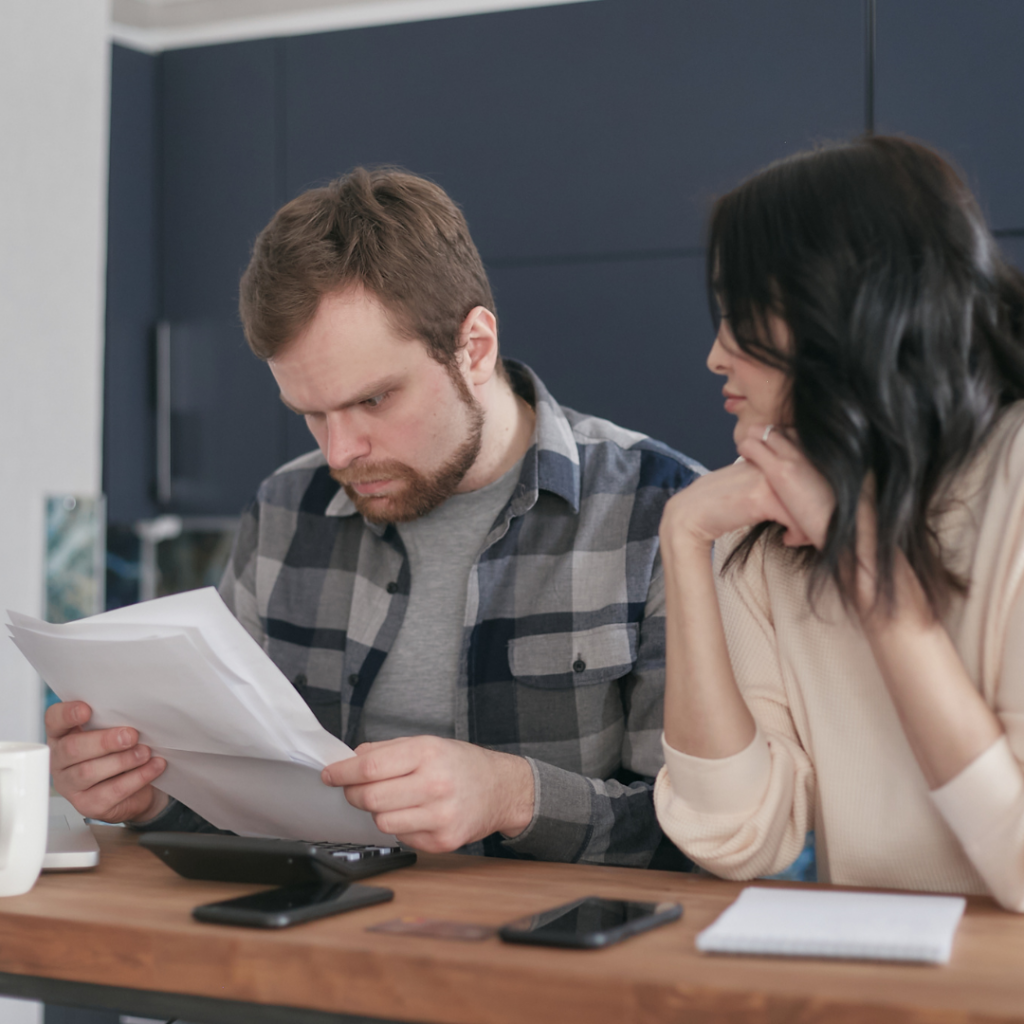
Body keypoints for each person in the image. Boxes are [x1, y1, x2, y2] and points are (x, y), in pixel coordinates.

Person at [47, 167, 702, 867]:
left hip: (555, 960)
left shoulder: (662, 514)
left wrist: (514, 795)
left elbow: (710, 835)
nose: (340, 452)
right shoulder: (282, 512)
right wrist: (150, 795)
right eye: (310, 414)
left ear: (473, 348)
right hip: (318, 947)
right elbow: (244, 808)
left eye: (373, 401)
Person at [653, 134, 1024, 909]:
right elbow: (739, 836)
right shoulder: (761, 531)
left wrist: (868, 571)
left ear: (845, 308)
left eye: (741, 313)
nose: (716, 356)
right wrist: (684, 540)